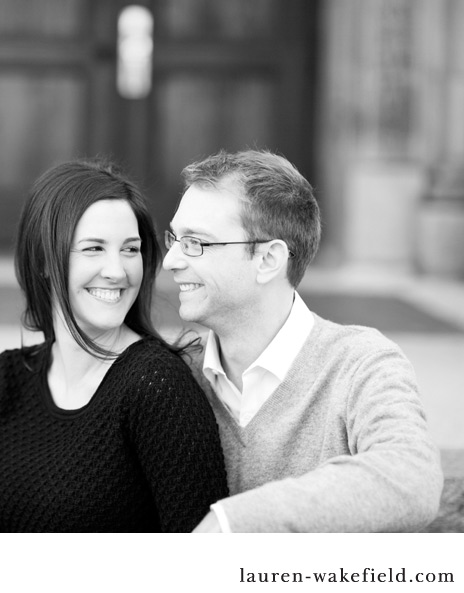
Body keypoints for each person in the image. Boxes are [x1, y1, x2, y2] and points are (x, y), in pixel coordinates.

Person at [162, 149, 444, 532]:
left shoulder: (360, 364)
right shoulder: (171, 369)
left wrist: (233, 523)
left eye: (196, 243)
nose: (171, 261)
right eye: (174, 239)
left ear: (267, 260)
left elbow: (411, 477)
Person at [0, 159, 228, 532]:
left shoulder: (156, 385)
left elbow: (199, 556)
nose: (116, 271)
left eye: (130, 250)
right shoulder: (1, 380)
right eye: (94, 249)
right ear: (45, 259)